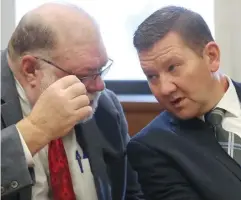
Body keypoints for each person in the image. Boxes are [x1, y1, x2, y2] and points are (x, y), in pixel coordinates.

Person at [1, 3, 144, 200]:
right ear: (30, 70)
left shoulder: (105, 107)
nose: (100, 85)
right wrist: (35, 130)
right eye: (85, 75)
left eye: (101, 69)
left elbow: (131, 194)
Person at [126, 5, 241, 200]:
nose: (165, 88)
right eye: (152, 76)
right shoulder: (153, 148)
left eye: (173, 67)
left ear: (211, 56)